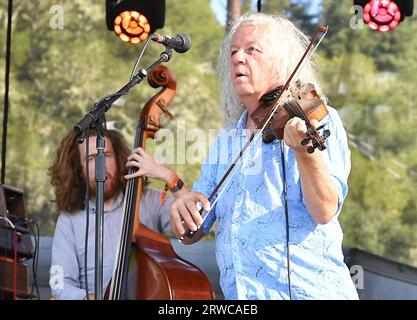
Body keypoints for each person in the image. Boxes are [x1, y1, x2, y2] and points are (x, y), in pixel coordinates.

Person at [169, 13, 359, 300]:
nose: (238, 59)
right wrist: (183, 213)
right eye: (233, 52)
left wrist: (305, 155)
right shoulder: (227, 140)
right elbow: (194, 229)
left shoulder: (318, 119)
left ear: (284, 64)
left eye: (252, 50)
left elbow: (324, 210)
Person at [49, 129, 184, 300]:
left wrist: (168, 176)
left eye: (106, 155)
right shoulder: (69, 220)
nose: (101, 166)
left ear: (120, 159)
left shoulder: (150, 202)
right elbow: (59, 284)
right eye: (91, 159)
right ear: (78, 169)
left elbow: (193, 224)